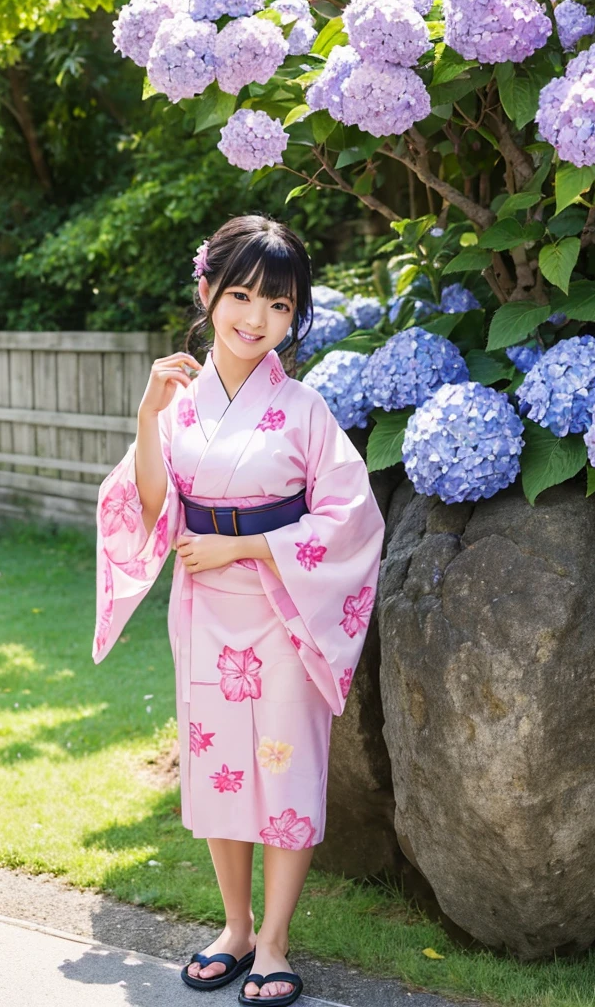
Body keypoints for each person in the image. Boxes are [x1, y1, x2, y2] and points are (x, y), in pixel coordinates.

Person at [91, 214, 386, 1006]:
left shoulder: (305, 412)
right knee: (222, 771)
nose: (258, 319)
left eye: (281, 306)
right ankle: (235, 928)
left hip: (285, 613)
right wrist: (148, 416)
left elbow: (350, 519)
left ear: (295, 316)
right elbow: (150, 503)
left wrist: (248, 549)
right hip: (205, 609)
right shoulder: (180, 402)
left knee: (284, 776)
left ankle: (278, 942)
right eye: (244, 295)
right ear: (207, 290)